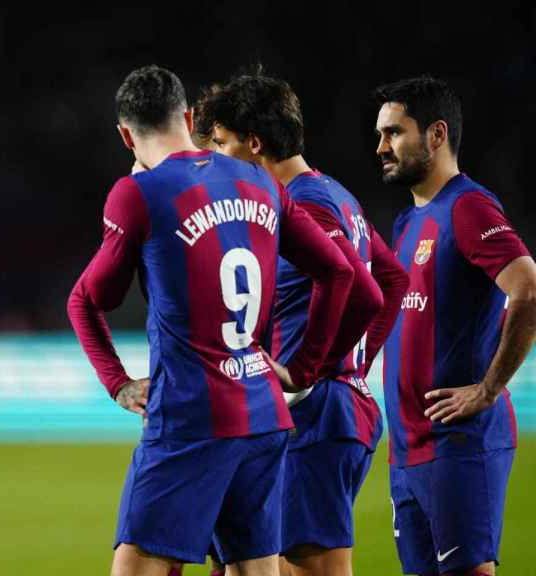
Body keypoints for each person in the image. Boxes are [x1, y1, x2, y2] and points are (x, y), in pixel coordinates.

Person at [67, 64, 355, 576]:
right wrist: (305, 368)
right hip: (264, 416)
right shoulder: (256, 179)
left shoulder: (137, 194)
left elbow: (90, 299)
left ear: (125, 135)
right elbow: (337, 271)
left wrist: (117, 383)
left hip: (190, 421)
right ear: (190, 115)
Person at [205, 71, 408, 576]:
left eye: (221, 143)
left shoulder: (306, 203)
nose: (215, 158)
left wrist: (308, 368)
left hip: (316, 414)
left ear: (254, 145)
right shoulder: (333, 193)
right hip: (327, 409)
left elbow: (366, 289)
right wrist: (354, 361)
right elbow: (393, 278)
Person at [374, 76, 536, 576]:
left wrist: (488, 389)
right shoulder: (408, 222)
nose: (381, 147)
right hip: (408, 450)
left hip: (458, 446)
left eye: (394, 133)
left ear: (437, 135)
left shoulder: (467, 207)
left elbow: (527, 286)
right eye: (381, 134)